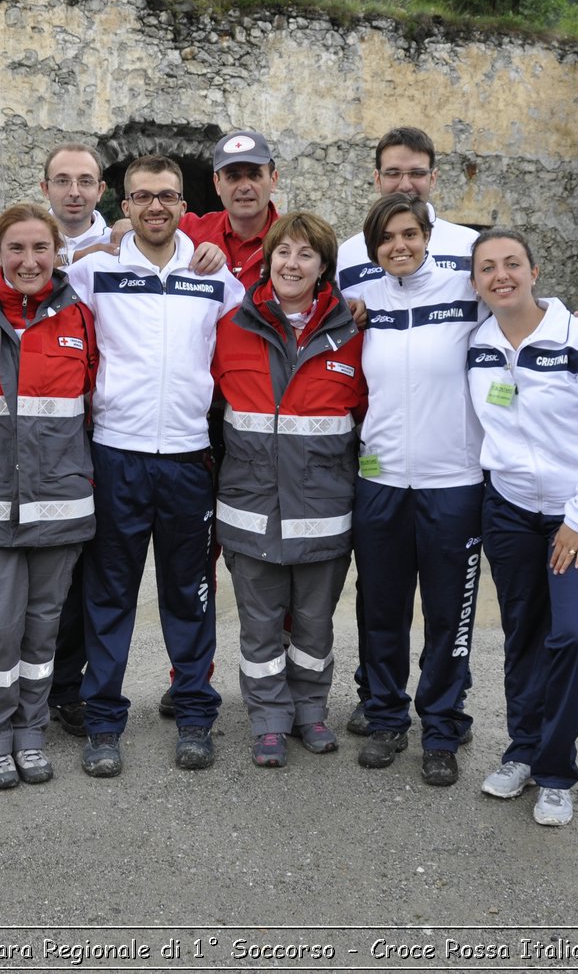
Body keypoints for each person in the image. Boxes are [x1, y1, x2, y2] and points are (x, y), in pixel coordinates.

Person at [61, 154, 243, 777]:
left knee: (189, 595)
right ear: (125, 206)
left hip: (189, 458)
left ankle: (194, 714)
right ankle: (104, 721)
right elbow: (23, 284)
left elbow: (258, 344)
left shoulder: (216, 277)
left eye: (167, 196)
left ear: (184, 204)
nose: (155, 207)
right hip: (116, 453)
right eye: (142, 197)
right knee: (108, 595)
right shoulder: (97, 273)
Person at [464, 229, 578, 827]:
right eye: (487, 268)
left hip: (577, 517)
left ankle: (557, 771)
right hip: (507, 510)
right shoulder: (476, 344)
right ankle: (522, 750)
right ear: (476, 282)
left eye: (512, 264)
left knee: (576, 639)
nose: (500, 275)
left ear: (533, 271)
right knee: (523, 637)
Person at [0, 203, 99, 789]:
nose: (29, 261)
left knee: (42, 626)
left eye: (40, 249)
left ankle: (31, 728)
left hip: (59, 505)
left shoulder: (82, 318)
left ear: (58, 254)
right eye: (16, 249)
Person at [337, 127, 482, 739]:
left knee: (450, 610)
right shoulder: (356, 274)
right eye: (393, 174)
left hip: (455, 475)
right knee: (381, 604)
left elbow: (520, 302)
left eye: (416, 173)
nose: (399, 245)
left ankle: (445, 721)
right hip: (380, 473)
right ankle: (384, 708)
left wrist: (576, 322)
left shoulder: (470, 262)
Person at [210, 211, 365, 767]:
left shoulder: (353, 336)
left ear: (324, 267)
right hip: (251, 512)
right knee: (259, 626)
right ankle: (269, 719)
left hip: (323, 516)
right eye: (282, 252)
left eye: (305, 254)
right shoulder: (231, 328)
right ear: (267, 260)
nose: (291, 263)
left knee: (315, 625)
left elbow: (367, 419)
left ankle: (310, 712)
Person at [338, 127, 480, 293]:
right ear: (377, 179)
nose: (405, 185)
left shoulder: (469, 244)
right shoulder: (346, 256)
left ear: (432, 179)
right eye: (393, 173)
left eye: (417, 173)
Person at [180, 129, 281, 290]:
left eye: (254, 175)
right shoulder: (189, 232)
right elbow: (147, 228)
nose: (244, 187)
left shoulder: (295, 240)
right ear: (217, 184)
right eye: (233, 177)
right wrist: (125, 228)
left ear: (273, 180)